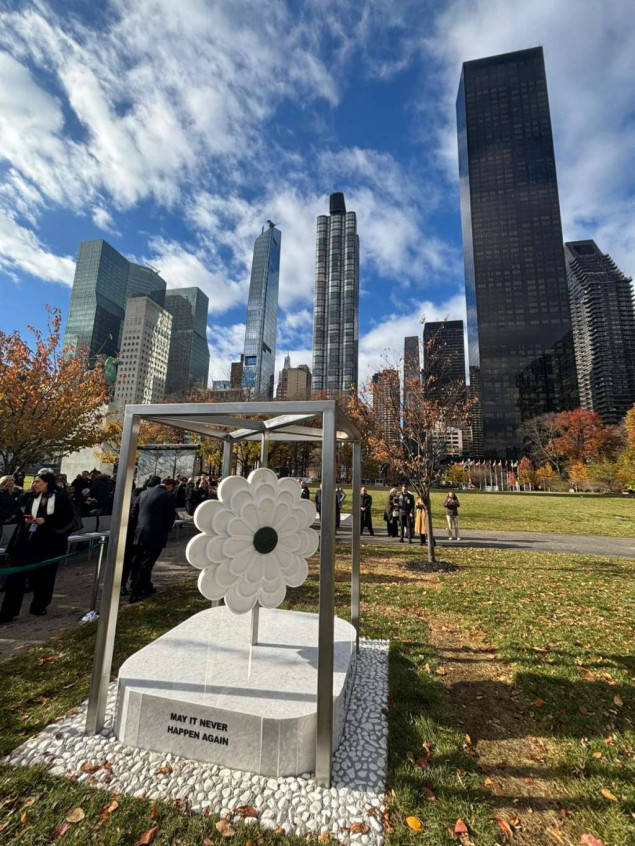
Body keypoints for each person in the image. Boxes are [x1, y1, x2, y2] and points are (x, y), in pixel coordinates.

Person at [0, 472, 76, 623]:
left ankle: (39, 605)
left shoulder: (60, 498)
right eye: (34, 481)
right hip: (25, 540)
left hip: (48, 543)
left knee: (45, 577)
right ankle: (8, 612)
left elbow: (67, 519)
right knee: (16, 576)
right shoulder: (29, 496)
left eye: (39, 482)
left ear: (48, 482)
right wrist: (26, 519)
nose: (35, 484)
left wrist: (45, 520)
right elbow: (20, 512)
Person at [129, 477, 176, 603]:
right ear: (169, 486)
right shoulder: (167, 495)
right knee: (147, 563)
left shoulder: (143, 493)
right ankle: (136, 592)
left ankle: (145, 586)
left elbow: (134, 513)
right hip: (156, 534)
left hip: (140, 532)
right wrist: (166, 529)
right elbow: (170, 516)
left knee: (139, 560)